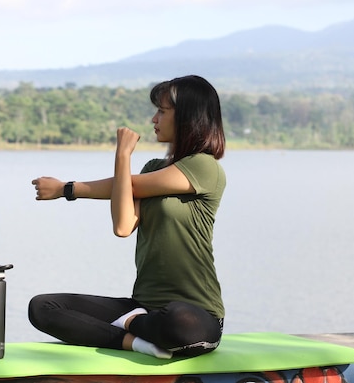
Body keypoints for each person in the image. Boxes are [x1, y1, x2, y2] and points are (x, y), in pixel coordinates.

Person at [29, 75, 226, 359]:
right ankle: (135, 342)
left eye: (162, 111)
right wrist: (122, 155)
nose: (153, 118)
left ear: (187, 116)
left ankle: (130, 324)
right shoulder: (152, 168)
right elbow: (123, 226)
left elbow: (130, 185)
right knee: (42, 307)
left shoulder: (205, 166)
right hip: (145, 305)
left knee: (178, 322)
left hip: (196, 313)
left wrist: (66, 189)